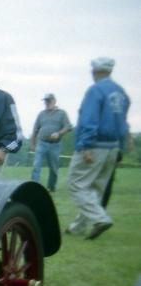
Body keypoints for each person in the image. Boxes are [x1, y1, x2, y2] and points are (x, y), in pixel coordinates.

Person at [65, 57, 130, 240]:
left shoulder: (95, 90)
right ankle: (78, 227)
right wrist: (121, 149)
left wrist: (85, 145)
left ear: (94, 71)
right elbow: (123, 123)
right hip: (113, 146)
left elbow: (89, 119)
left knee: (76, 184)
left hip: (95, 145)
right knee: (95, 189)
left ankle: (100, 218)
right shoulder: (121, 92)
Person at [30, 93, 72, 192]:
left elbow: (68, 127)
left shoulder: (62, 113)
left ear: (54, 101)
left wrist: (59, 133)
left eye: (48, 100)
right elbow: (35, 129)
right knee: (36, 165)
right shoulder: (41, 114)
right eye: (45, 101)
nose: (46, 103)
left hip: (55, 145)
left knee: (54, 168)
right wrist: (32, 144)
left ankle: (51, 187)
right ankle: (34, 187)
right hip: (41, 143)